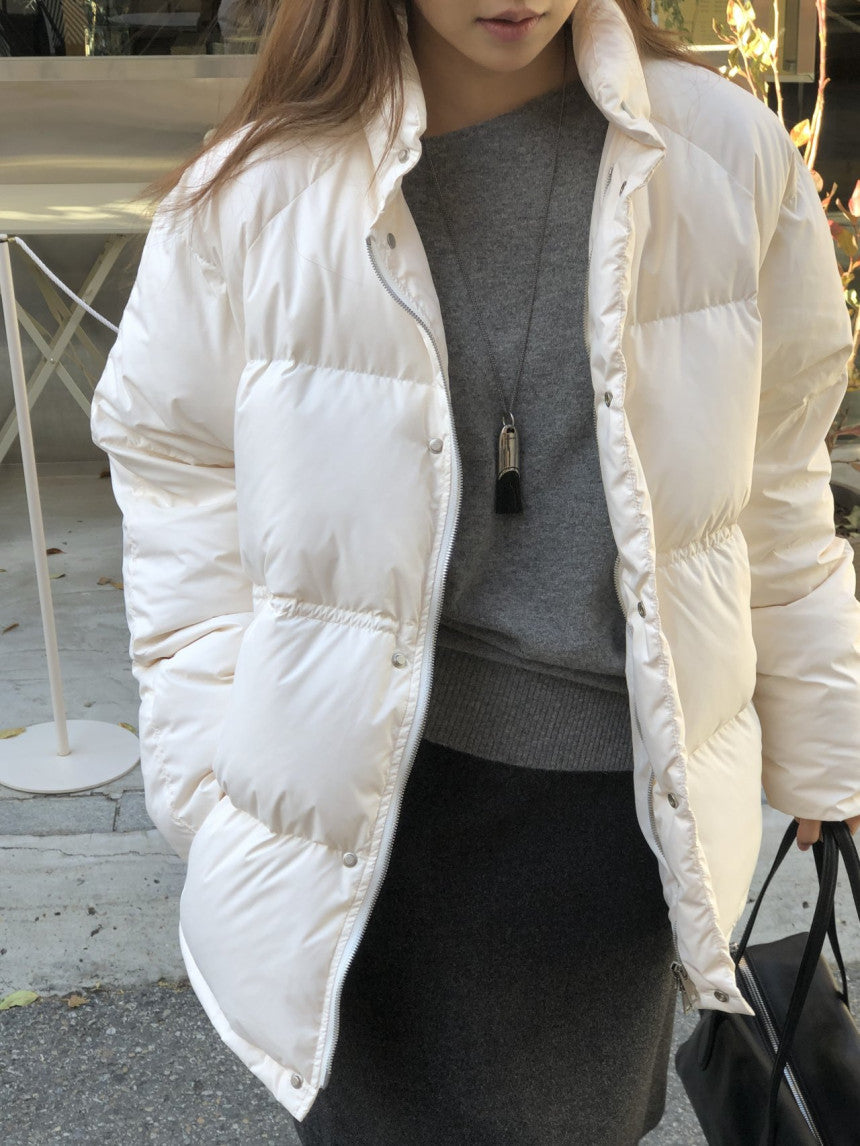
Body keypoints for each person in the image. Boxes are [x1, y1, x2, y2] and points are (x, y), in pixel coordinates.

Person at [89, 0, 860, 1142]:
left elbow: (776, 472)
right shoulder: (256, 191)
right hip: (354, 823)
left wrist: (823, 740)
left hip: (612, 816)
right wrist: (212, 773)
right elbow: (177, 471)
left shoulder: (720, 152)